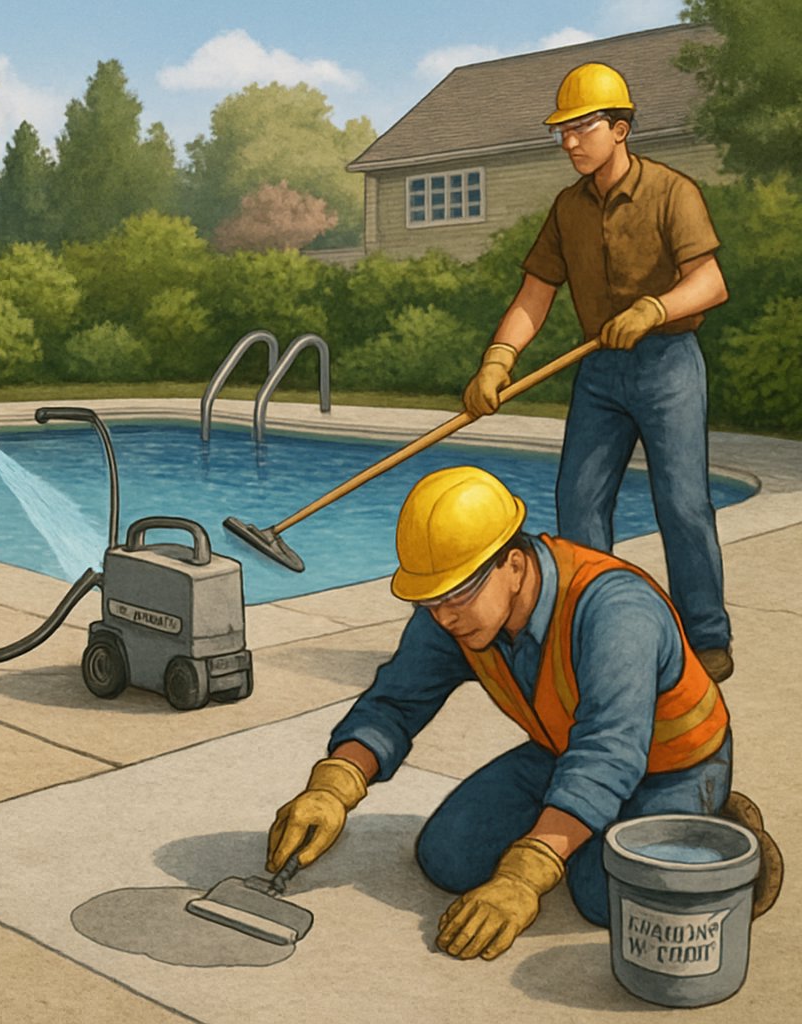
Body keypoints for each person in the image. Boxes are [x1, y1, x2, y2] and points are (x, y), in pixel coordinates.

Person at [266, 466, 781, 961]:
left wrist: (525, 874)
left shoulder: (615, 609)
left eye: (456, 595)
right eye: (430, 601)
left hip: (673, 762)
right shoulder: (456, 612)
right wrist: (334, 784)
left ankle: (724, 830)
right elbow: (397, 700)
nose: (444, 615)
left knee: (605, 899)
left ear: (513, 565)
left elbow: (609, 752)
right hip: (565, 751)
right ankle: (589, 831)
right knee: (448, 857)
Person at [462, 62, 735, 682]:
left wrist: (655, 308)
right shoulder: (567, 209)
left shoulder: (673, 192)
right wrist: (496, 362)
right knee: (578, 504)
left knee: (684, 504)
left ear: (620, 128)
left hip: (668, 367)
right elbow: (535, 296)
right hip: (600, 373)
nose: (569, 141)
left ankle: (706, 637)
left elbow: (712, 282)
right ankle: (590, 628)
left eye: (581, 128)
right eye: (562, 130)